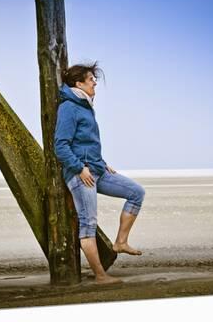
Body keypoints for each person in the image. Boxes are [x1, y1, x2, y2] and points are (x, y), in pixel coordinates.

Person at [54, 61, 146, 285]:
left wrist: (101, 163)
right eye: (91, 79)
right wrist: (80, 168)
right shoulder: (69, 107)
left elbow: (86, 141)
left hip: (96, 169)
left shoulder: (85, 106)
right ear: (78, 84)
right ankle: (100, 276)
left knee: (136, 192)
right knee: (88, 224)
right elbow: (61, 145)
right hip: (81, 174)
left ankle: (120, 242)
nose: (95, 82)